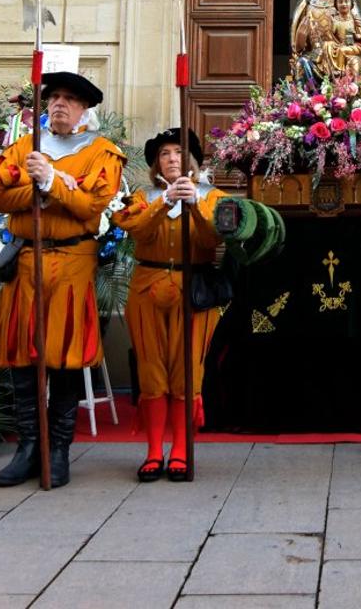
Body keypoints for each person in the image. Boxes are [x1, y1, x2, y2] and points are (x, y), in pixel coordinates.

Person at [0, 71, 125, 488]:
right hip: (27, 262)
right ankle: (29, 446)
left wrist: (47, 182)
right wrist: (49, 188)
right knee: (24, 359)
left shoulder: (103, 153)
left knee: (63, 357)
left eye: (69, 99)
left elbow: (90, 206)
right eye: (54, 98)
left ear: (84, 109)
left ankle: (59, 448)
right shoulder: (24, 148)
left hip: (72, 263)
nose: (59, 104)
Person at [116, 128, 226, 482]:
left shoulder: (213, 196)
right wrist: (164, 204)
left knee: (186, 371)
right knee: (151, 371)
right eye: (164, 154)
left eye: (178, 153)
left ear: (190, 159)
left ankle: (180, 449)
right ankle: (153, 451)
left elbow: (214, 239)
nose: (172, 159)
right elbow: (136, 231)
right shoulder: (142, 196)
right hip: (147, 290)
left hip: (193, 291)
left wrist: (193, 205)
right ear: (156, 163)